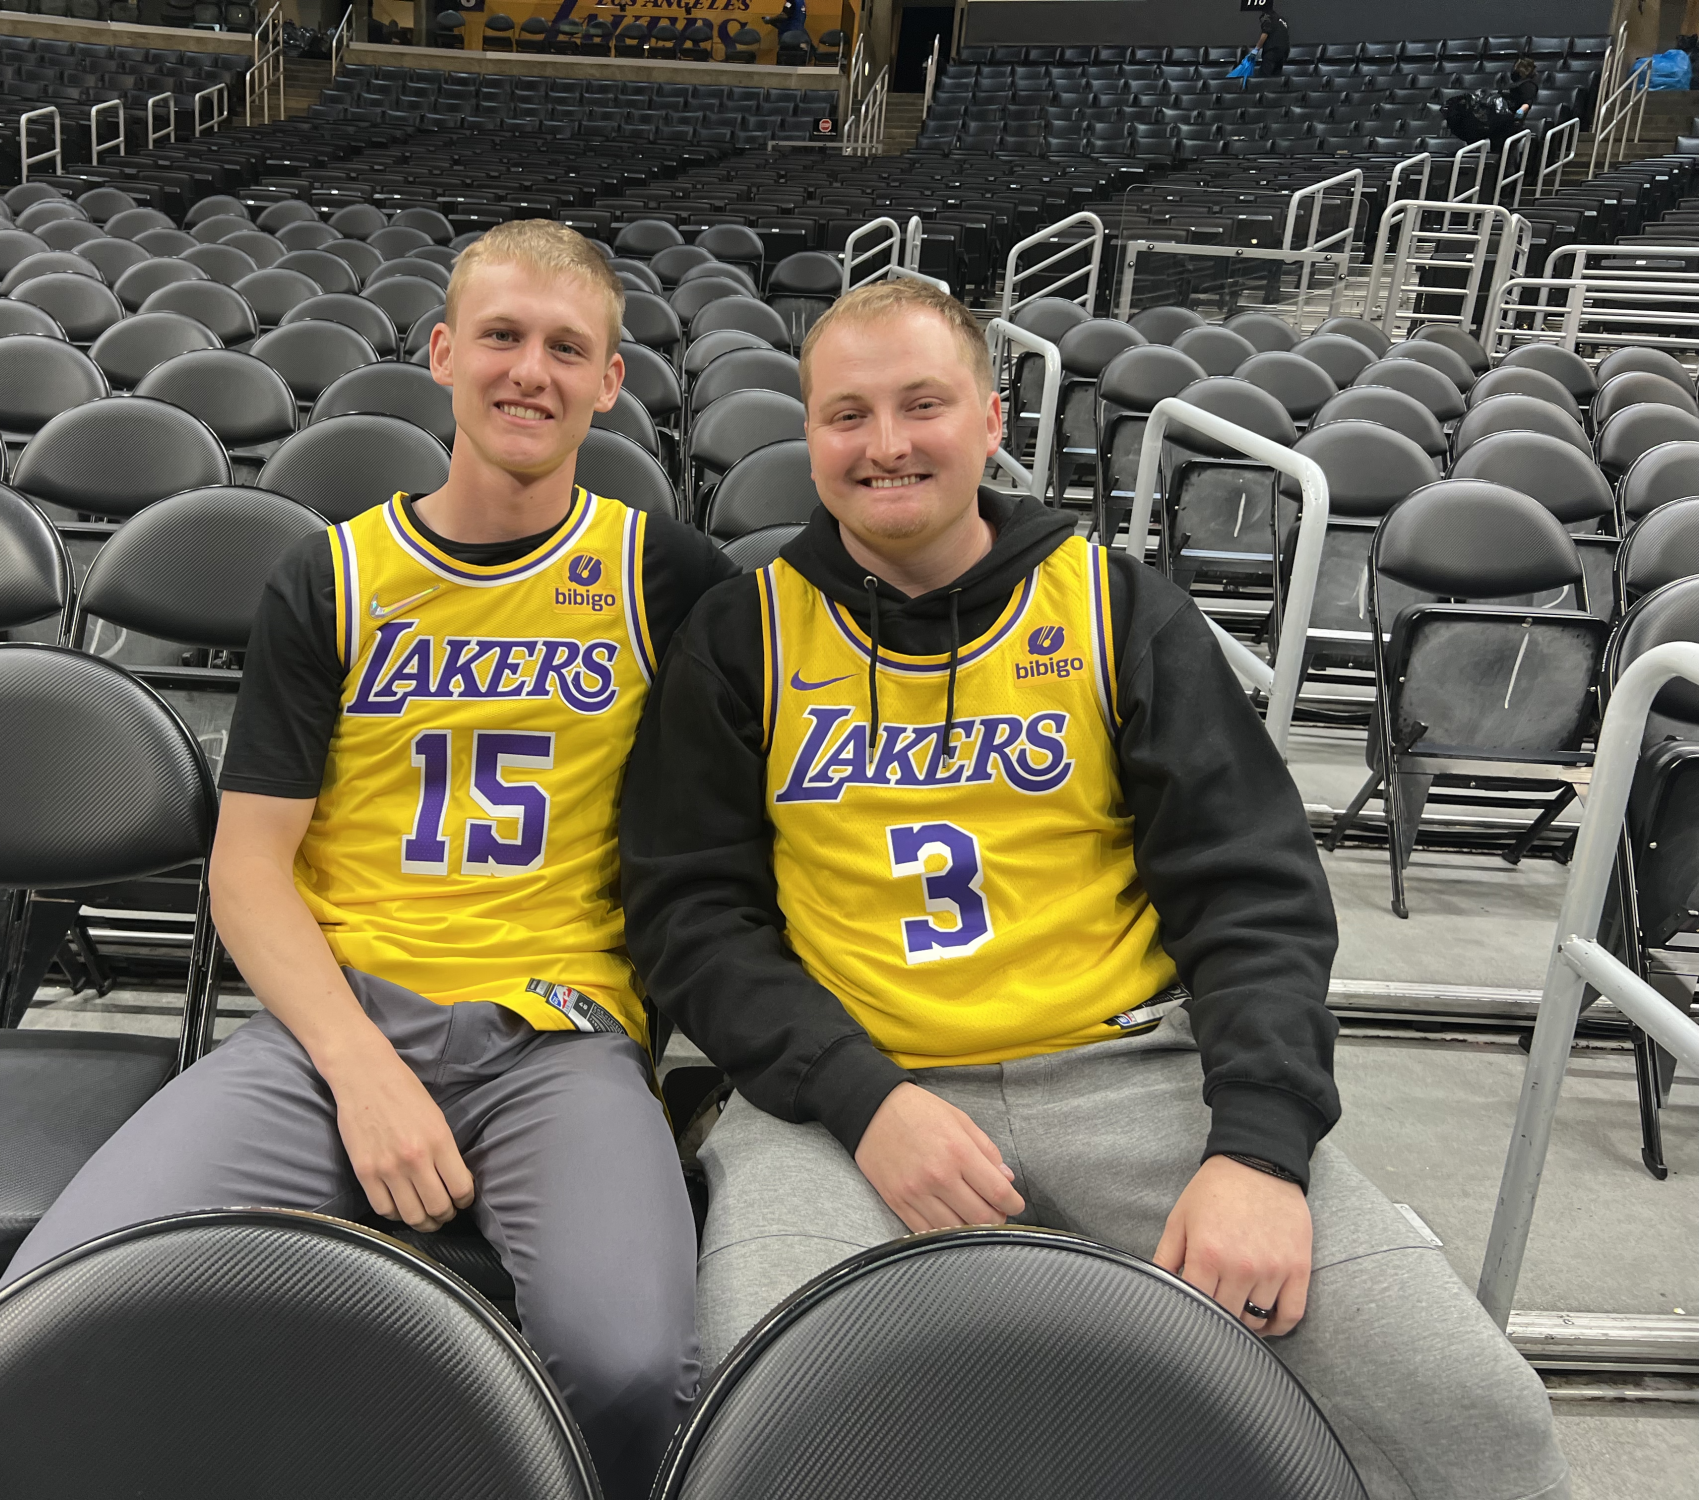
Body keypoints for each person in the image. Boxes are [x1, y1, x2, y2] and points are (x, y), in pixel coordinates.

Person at [620, 279, 1569, 1500]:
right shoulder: (740, 633)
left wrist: (1261, 1154)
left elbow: (1254, 898)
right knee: (776, 1422)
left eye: (922, 404)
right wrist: (862, 1099)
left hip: (1134, 1080)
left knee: (1474, 1414)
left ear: (991, 416)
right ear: (807, 434)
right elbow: (690, 916)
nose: (887, 444)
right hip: (844, 1106)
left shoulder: (1117, 607)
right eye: (846, 414)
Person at [0, 220, 736, 1500]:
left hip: (555, 1036)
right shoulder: (332, 577)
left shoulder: (663, 575)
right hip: (330, 1025)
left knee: (629, 1365)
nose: (530, 372)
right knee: (56, 1305)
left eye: (568, 348)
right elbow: (247, 871)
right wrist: (362, 1073)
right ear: (443, 352)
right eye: (500, 336)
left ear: (612, 382)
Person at [1255, 2, 1289, 77]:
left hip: (1272, 52)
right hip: (1283, 53)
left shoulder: (1267, 17)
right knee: (1276, 78)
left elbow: (1265, 33)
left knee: (1263, 77)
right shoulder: (1282, 19)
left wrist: (1256, 49)